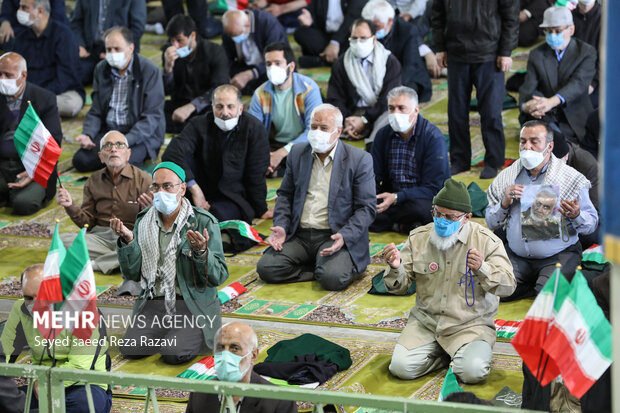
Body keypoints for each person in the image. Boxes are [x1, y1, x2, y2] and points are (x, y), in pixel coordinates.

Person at [383, 179, 515, 383]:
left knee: (473, 372)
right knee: (401, 368)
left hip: (470, 325)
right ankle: (445, 356)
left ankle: (458, 354)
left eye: (449, 217)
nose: (441, 220)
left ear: (467, 218)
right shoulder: (419, 238)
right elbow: (399, 287)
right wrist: (395, 267)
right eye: (437, 213)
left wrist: (483, 269)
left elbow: (508, 286)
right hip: (427, 323)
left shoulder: (486, 241)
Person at [113, 162, 229, 364]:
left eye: (167, 186)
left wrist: (202, 253)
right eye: (155, 187)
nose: (160, 192)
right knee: (131, 348)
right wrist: (128, 241)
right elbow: (132, 274)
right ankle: (168, 332)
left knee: (173, 353)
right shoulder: (144, 221)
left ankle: (192, 332)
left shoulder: (203, 222)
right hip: (154, 303)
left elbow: (218, 276)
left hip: (191, 306)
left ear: (182, 189)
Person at [257, 104, 376, 291]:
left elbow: (367, 208)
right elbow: (285, 195)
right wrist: (281, 225)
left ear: (338, 131)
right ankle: (318, 270)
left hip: (334, 235)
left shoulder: (359, 159)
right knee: (267, 268)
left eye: (324, 128)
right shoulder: (297, 153)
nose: (317, 132)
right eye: (313, 127)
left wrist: (345, 235)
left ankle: (332, 267)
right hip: (300, 234)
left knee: (333, 279)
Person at [486, 121, 598, 300]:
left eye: (534, 141)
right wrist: (504, 203)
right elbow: (491, 222)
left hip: (558, 255)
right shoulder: (508, 177)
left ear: (549, 146)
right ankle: (532, 283)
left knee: (547, 298)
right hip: (518, 255)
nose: (527, 147)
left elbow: (591, 225)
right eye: (523, 142)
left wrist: (576, 215)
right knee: (494, 291)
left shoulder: (570, 178)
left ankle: (541, 284)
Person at [0, 264, 112, 413]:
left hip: (83, 385)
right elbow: (5, 353)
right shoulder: (20, 309)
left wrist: (44, 382)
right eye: (28, 298)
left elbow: (79, 367)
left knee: (85, 406)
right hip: (40, 388)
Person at [431, 0, 519, 179]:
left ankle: (493, 161)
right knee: (456, 113)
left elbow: (511, 17)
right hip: (456, 54)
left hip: (489, 54)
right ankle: (459, 160)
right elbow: (437, 16)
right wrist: (440, 48)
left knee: (491, 112)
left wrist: (506, 51)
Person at [162, 85, 270, 223]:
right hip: (201, 188)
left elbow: (256, 173)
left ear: (240, 108)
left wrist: (261, 209)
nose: (225, 113)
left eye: (231, 107)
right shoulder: (199, 124)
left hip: (233, 195)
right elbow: (171, 153)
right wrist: (194, 188)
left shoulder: (254, 129)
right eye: (219, 107)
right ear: (212, 108)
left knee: (212, 218)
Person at [56, 131, 152, 277]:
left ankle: (97, 264)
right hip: (100, 238)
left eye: (119, 145)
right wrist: (70, 205)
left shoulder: (145, 180)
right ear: (101, 156)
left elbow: (155, 226)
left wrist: (150, 211)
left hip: (130, 237)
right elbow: (87, 222)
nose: (113, 149)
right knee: (62, 241)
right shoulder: (93, 180)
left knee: (147, 248)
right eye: (108, 146)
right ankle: (119, 259)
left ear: (128, 154)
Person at [72, 26, 165, 173]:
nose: (112, 54)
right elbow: (96, 110)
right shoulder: (101, 69)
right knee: (81, 161)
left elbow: (151, 118)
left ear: (131, 48)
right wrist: (88, 134)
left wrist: (124, 142)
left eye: (117, 49)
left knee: (120, 165)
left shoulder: (149, 70)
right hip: (110, 132)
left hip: (140, 137)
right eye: (109, 50)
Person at [370, 86, 449, 233]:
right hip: (391, 197)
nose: (395, 113)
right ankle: (403, 225)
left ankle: (394, 223)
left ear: (416, 110)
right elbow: (373, 174)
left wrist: (398, 197)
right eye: (391, 108)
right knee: (359, 205)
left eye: (401, 108)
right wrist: (370, 198)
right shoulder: (383, 135)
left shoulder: (432, 137)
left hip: (421, 198)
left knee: (421, 210)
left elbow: (435, 187)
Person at [519, 6, 596, 144]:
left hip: (574, 114)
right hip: (544, 114)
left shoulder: (586, 52)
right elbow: (529, 87)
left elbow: (578, 84)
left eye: (558, 31)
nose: (553, 35)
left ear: (571, 29)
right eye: (549, 31)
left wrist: (551, 102)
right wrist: (531, 106)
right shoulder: (537, 54)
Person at [185, 321, 298, 413]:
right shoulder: (200, 393)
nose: (225, 356)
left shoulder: (279, 401)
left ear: (253, 355)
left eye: (235, 348)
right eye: (220, 348)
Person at [0, 52, 62, 215]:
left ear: (23, 75)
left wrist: (34, 171)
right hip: (2, 164)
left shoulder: (44, 98)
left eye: (8, 75)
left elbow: (54, 141)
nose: (2, 79)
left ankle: (13, 194)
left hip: (33, 164)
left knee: (23, 204)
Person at [249, 42, 323, 176]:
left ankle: (278, 170)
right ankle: (276, 168)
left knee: (315, 158)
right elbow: (253, 132)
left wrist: (282, 153)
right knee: (250, 159)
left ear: (291, 66)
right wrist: (266, 155)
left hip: (303, 143)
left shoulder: (309, 89)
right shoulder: (260, 93)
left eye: (278, 63)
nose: (272, 68)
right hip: (275, 144)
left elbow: (313, 130)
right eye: (268, 64)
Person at [326, 18, 402, 146]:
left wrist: (365, 119)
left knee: (392, 120)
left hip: (380, 111)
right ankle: (351, 130)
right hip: (352, 113)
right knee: (322, 127)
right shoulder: (342, 63)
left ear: (374, 39)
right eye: (354, 38)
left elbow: (388, 99)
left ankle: (372, 144)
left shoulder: (389, 62)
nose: (358, 43)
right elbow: (335, 97)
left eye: (363, 38)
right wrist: (347, 120)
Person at [13, 0, 85, 118]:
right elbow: (16, 72)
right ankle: (41, 111)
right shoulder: (21, 39)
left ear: (40, 11)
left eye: (24, 8)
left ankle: (33, 110)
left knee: (72, 104)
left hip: (61, 93)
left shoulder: (64, 35)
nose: (19, 11)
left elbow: (67, 78)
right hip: (29, 95)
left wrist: (39, 95)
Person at [162, 14, 229, 134]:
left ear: (192, 35)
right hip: (180, 103)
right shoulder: (169, 53)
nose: (175, 46)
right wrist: (168, 69)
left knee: (220, 115)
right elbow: (166, 91)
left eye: (179, 40)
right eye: (172, 41)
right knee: (153, 111)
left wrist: (191, 106)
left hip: (205, 105)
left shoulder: (214, 51)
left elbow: (220, 88)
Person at [361, 0, 432, 103]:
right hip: (377, 76)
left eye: (376, 26)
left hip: (406, 76)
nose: (373, 30)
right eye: (369, 26)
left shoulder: (408, 30)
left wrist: (391, 87)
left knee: (401, 98)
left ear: (390, 21)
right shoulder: (364, 29)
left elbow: (409, 66)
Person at [69, 0, 146, 85]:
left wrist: (114, 50)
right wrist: (80, 45)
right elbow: (76, 22)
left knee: (120, 81)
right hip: (90, 51)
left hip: (120, 52)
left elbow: (137, 28)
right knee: (72, 75)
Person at [221, 9, 288, 94]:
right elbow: (227, 58)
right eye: (231, 35)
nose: (234, 38)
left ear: (247, 26)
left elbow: (277, 57)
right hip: (247, 66)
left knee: (277, 77)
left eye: (237, 34)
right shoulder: (229, 31)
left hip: (270, 66)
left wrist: (250, 74)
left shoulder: (267, 22)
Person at [552, 133, 599, 247]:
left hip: (581, 217)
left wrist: (576, 214)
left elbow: (595, 212)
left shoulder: (586, 165)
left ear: (566, 156)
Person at [293, 0, 366, 68]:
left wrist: (335, 42)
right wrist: (310, 20)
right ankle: (335, 60)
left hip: (348, 36)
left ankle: (321, 60)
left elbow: (351, 20)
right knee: (301, 33)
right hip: (326, 36)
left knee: (359, 43)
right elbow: (313, 13)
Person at [0, 0, 67, 50]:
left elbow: (58, 18)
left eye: (23, 7)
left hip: (46, 31)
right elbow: (6, 13)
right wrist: (5, 22)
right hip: (18, 30)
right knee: (7, 38)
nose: (19, 10)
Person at [572, 0, 600, 108]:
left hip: (595, 77)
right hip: (573, 73)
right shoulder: (570, 17)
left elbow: (606, 60)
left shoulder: (605, 19)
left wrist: (593, 83)